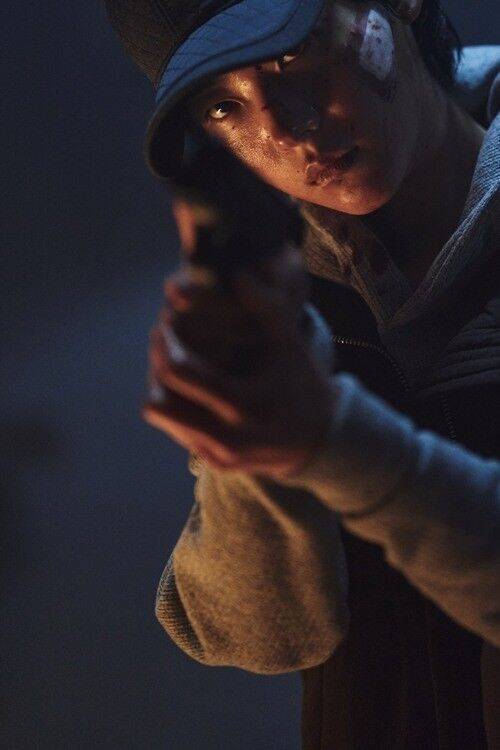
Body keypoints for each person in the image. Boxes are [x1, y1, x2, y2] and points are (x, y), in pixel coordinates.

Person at [105, 0, 499, 747]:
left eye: (293, 53)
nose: (285, 130)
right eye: (223, 105)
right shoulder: (288, 294)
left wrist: (328, 442)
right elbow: (260, 638)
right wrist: (248, 452)